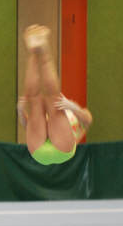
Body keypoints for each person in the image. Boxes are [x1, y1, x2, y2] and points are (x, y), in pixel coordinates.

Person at [17, 24, 93, 165]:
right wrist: (72, 107)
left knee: (35, 101)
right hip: (56, 149)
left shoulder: (69, 113)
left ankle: (35, 51)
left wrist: (20, 111)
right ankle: (39, 47)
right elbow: (88, 120)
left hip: (42, 151)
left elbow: (27, 125)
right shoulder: (70, 118)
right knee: (52, 100)